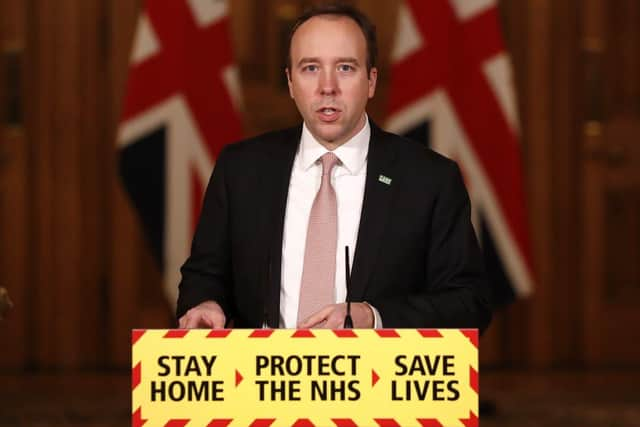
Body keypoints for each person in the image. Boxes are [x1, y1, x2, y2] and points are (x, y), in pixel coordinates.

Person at [177, 3, 491, 331]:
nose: (328, 86)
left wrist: (374, 317)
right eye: (310, 68)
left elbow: (469, 303)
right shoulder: (240, 170)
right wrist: (206, 304)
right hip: (262, 379)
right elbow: (203, 277)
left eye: (345, 68)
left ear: (371, 81)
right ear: (290, 82)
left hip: (378, 379)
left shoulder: (430, 180)